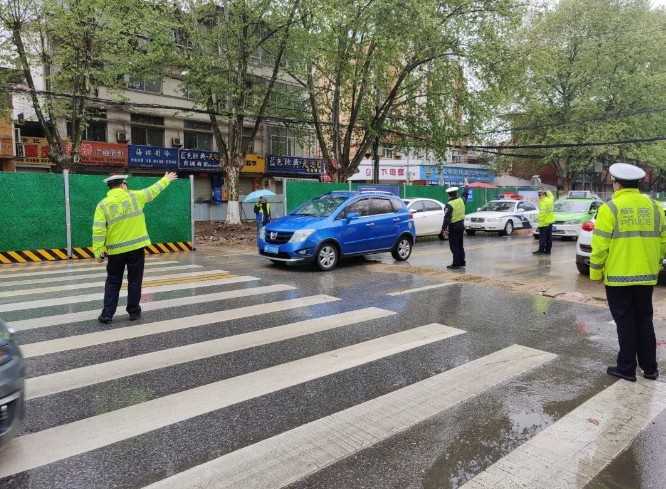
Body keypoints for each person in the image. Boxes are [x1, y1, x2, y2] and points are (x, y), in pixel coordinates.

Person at [590, 162, 665, 382]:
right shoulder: (655, 207)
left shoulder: (610, 208)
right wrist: (656, 264)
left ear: (616, 184)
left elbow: (600, 246)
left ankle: (626, 368)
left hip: (618, 278)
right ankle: (650, 368)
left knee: (625, 322)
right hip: (647, 277)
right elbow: (663, 241)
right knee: (644, 320)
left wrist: (595, 273)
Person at [92, 172, 177, 324]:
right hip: (136, 249)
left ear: (110, 187)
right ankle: (133, 312)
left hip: (115, 251)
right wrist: (165, 179)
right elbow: (152, 191)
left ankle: (107, 314)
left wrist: (98, 251)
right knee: (135, 280)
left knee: (112, 281)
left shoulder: (102, 205)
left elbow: (98, 230)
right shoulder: (135, 197)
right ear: (123, 185)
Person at [442, 186, 466, 269]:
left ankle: (456, 263)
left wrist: (444, 228)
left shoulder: (449, 204)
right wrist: (466, 187)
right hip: (461, 225)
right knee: (460, 245)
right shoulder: (461, 201)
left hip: (454, 226)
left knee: (454, 246)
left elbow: (447, 217)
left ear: (449, 195)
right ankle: (462, 261)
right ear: (456, 193)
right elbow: (465, 195)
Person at [533, 188, 555, 255]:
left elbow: (542, 213)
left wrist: (538, 219)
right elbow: (551, 195)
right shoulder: (550, 200)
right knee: (549, 238)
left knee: (542, 238)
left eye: (539, 195)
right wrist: (546, 190)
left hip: (544, 223)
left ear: (542, 195)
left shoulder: (543, 202)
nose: (539, 197)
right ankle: (548, 251)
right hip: (550, 222)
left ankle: (541, 250)